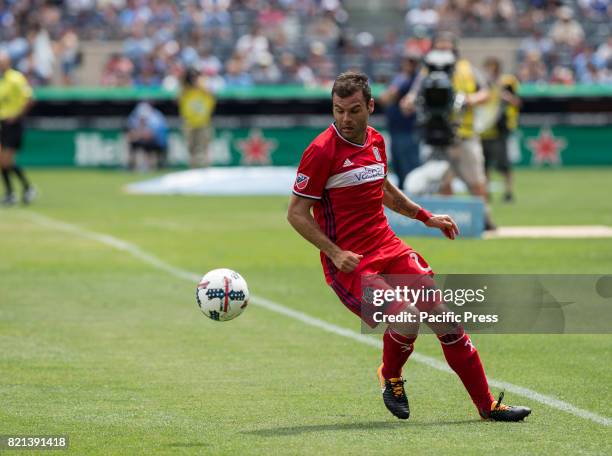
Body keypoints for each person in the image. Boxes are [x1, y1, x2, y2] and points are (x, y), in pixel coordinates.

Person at [287, 71, 531, 422]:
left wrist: (425, 217)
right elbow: (296, 213)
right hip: (353, 265)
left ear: (370, 106)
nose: (345, 118)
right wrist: (335, 252)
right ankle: (390, 375)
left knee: (446, 320)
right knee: (407, 319)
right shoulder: (321, 151)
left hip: (388, 247)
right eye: (338, 110)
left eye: (354, 110)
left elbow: (382, 188)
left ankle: (487, 406)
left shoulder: (374, 141)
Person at [400, 32, 496, 230]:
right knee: (443, 182)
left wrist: (466, 100)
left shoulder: (467, 68)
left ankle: (484, 218)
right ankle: (451, 222)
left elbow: (486, 92)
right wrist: (409, 102)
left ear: (454, 48)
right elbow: (413, 95)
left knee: (476, 182)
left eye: (447, 47)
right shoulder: (425, 72)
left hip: (464, 135)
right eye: (439, 47)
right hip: (435, 135)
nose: (443, 50)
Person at [480, 57, 521, 202]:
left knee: (504, 165)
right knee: (484, 166)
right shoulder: (482, 83)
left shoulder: (507, 82)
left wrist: (504, 96)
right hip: (483, 130)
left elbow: (516, 101)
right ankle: (486, 193)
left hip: (499, 130)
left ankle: (508, 192)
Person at [379, 51, 421, 189]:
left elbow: (388, 97)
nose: (409, 65)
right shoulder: (400, 78)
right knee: (398, 168)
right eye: (407, 61)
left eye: (413, 62)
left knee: (410, 170)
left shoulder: (415, 80)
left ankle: (414, 202)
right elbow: (384, 99)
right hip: (395, 130)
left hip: (408, 131)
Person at [0, 51, 35, 206]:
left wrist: (17, 115)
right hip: (3, 124)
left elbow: (29, 98)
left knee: (6, 160)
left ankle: (25, 189)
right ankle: (13, 192)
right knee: (3, 161)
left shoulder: (16, 78)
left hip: (13, 124)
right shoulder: (2, 81)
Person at [178, 68, 216, 168]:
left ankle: (206, 168)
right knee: (191, 149)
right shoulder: (185, 90)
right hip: (189, 123)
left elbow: (212, 94)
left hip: (203, 122)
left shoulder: (203, 87)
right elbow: (178, 99)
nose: (193, 79)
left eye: (195, 77)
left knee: (204, 148)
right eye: (192, 77)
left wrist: (200, 84)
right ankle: (192, 168)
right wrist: (185, 82)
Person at [126, 101, 168, 171]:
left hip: (157, 142)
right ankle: (132, 165)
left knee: (147, 144)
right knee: (134, 144)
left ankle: (149, 165)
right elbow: (130, 135)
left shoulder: (155, 119)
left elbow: (150, 135)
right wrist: (137, 135)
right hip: (144, 140)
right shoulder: (136, 119)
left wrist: (137, 135)